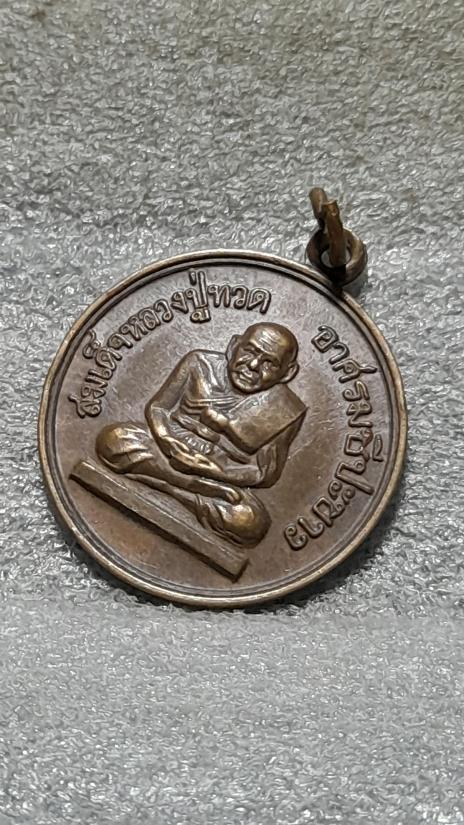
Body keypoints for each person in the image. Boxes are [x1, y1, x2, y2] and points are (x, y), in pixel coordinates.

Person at [96, 323, 307, 547]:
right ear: (233, 345)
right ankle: (186, 486)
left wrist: (214, 470)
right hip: (167, 449)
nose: (253, 365)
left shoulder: (284, 409)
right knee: (114, 439)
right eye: (250, 351)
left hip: (217, 475)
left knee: (250, 522)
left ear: (287, 373)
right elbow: (159, 408)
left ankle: (167, 485)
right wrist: (166, 439)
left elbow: (264, 473)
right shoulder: (199, 362)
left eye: (269, 363)